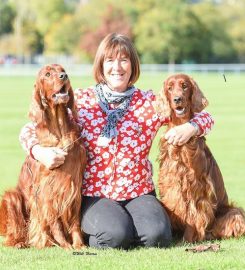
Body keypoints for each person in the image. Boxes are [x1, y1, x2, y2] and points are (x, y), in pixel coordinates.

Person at [19, 33, 214, 249]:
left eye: (124, 60)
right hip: (95, 194)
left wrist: (191, 127)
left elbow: (206, 117)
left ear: (132, 65)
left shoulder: (149, 102)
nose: (117, 67)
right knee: (114, 236)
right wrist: (39, 151)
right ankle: (100, 228)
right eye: (110, 60)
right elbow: (30, 129)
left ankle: (127, 225)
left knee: (157, 236)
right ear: (101, 66)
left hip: (138, 191)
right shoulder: (82, 102)